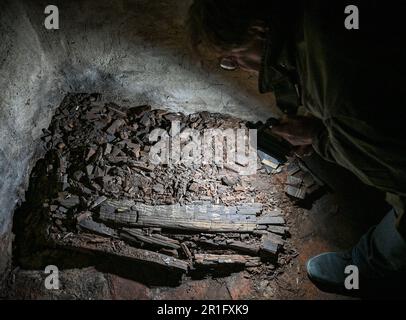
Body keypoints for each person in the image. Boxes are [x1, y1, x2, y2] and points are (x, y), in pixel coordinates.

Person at [188, 0, 406, 296]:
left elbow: (391, 171)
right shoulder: (309, 19)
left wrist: (320, 136)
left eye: (235, 57)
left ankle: (372, 266)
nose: (239, 66)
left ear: (257, 30)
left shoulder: (339, 97)